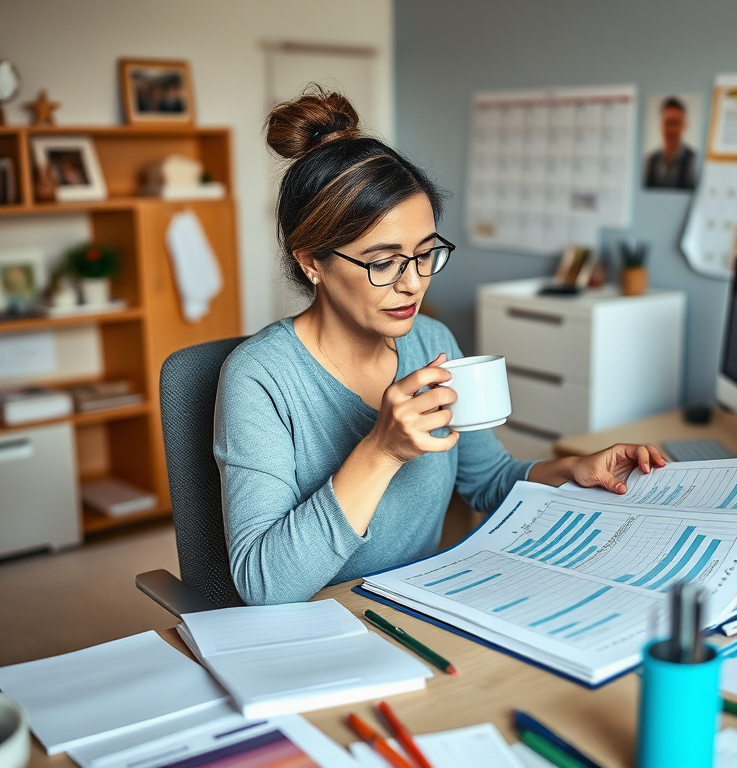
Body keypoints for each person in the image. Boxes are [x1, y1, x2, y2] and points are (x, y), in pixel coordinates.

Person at [215, 87, 667, 606]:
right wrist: (380, 451)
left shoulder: (431, 342)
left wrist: (570, 472)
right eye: (383, 262)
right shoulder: (259, 379)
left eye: (426, 254)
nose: (412, 284)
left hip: (420, 608)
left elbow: (489, 481)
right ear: (311, 261)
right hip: (320, 632)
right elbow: (265, 588)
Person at [643, 97, 696, 190]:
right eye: (667, 123)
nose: (671, 130)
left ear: (684, 126)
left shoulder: (694, 162)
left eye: (675, 123)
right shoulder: (649, 161)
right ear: (661, 126)